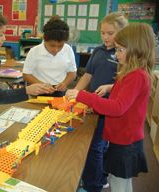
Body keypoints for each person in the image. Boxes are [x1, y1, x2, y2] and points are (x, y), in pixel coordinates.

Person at [66, 22, 155, 192]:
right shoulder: (132, 72)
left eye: (120, 50)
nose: (116, 54)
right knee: (120, 180)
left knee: (119, 184)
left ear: (136, 50)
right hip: (122, 138)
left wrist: (82, 95)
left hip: (125, 142)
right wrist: (110, 87)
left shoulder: (136, 75)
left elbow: (118, 107)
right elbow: (127, 95)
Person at [73, 12, 128, 192]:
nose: (105, 37)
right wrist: (76, 93)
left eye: (110, 33)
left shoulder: (124, 55)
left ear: (122, 32)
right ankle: (99, 176)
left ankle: (94, 184)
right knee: (95, 145)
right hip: (92, 106)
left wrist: (109, 88)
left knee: (96, 146)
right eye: (103, 32)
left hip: (110, 109)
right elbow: (87, 76)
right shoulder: (97, 51)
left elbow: (125, 83)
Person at [22, 15, 77, 97]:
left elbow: (72, 72)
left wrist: (64, 83)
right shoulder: (34, 51)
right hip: (39, 91)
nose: (56, 49)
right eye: (52, 45)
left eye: (60, 45)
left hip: (60, 91)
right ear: (45, 40)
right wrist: (42, 85)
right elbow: (26, 74)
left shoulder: (68, 49)